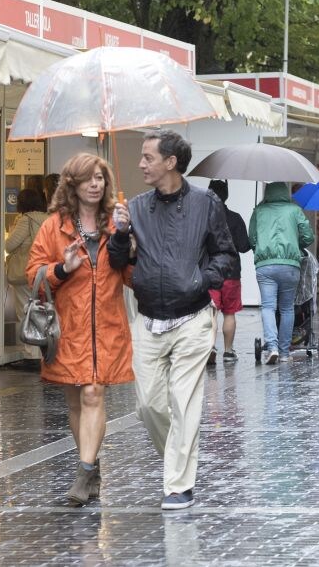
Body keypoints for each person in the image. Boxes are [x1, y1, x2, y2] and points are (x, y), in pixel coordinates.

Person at [109, 129, 235, 510]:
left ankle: (178, 485)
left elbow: (226, 256)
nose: (141, 163)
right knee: (148, 405)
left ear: (170, 162)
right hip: (148, 319)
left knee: (184, 402)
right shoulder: (135, 207)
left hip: (193, 318)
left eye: (148, 157)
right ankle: (178, 458)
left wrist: (202, 280)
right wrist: (119, 234)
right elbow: (119, 264)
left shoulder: (205, 202)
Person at [26, 154, 134, 506]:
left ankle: (83, 472)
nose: (95, 184)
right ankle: (93, 466)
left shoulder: (116, 223)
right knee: (75, 401)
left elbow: (134, 278)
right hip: (67, 330)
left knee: (92, 394)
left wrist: (127, 244)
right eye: (88, 178)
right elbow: (34, 278)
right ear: (71, 184)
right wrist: (62, 268)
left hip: (107, 327)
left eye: (100, 178)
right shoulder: (53, 227)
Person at [248, 182, 314, 364]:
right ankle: (284, 353)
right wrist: (295, 244)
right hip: (290, 266)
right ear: (285, 193)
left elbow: (252, 239)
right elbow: (308, 236)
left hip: (266, 266)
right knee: (287, 308)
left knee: (268, 307)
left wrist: (260, 250)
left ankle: (272, 347)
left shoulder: (259, 211)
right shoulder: (294, 210)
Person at [206, 180, 251, 364]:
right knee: (229, 313)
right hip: (231, 272)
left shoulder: (204, 218)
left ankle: (210, 348)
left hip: (210, 272)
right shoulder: (235, 218)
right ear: (226, 195)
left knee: (212, 313)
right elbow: (244, 246)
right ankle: (228, 351)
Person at [4, 188, 48, 370]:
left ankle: (31, 355)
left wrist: (12, 230)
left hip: (26, 271)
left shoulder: (25, 220)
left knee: (26, 311)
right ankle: (43, 353)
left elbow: (9, 244)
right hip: (44, 270)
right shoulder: (48, 218)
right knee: (41, 311)